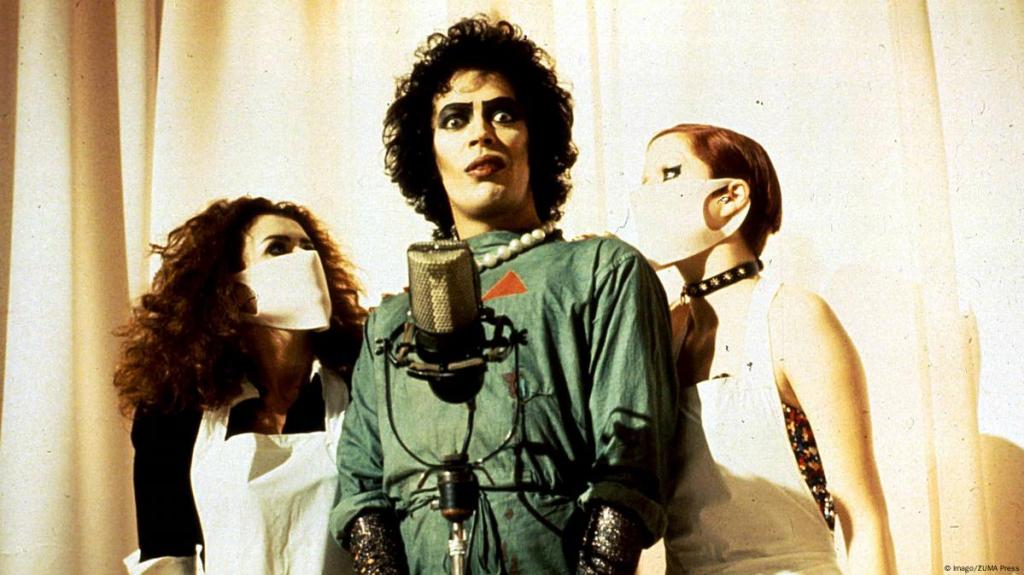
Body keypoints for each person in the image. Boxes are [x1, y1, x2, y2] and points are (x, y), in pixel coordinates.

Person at [329, 17, 678, 574]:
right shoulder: (390, 322)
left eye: (503, 114)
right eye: (455, 119)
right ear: (429, 152)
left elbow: (631, 467)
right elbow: (361, 488)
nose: (481, 133)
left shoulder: (602, 272)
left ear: (536, 139)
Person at [630, 124, 897, 574]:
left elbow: (863, 515)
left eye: (669, 173)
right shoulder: (663, 331)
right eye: (643, 181)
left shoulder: (793, 317)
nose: (645, 195)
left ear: (729, 197)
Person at [114, 197, 365, 574]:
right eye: (278, 248)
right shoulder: (174, 412)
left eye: (308, 247)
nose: (305, 259)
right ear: (236, 291)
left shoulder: (360, 390)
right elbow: (166, 556)